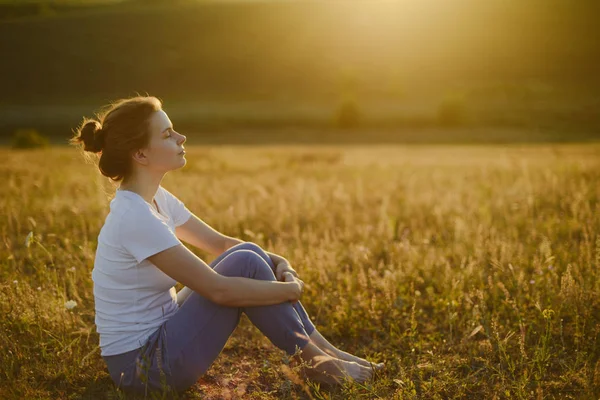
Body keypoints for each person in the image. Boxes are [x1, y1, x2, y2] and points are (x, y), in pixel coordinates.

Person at [70, 95, 384, 395]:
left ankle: (325, 354)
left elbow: (221, 243)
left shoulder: (155, 200)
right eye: (167, 134)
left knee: (245, 254)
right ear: (140, 154)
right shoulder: (134, 216)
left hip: (162, 337)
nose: (181, 137)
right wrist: (291, 290)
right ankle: (317, 362)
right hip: (144, 369)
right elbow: (219, 291)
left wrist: (280, 263)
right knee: (242, 263)